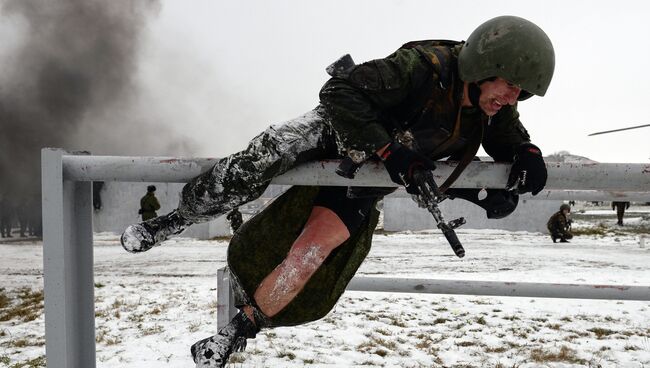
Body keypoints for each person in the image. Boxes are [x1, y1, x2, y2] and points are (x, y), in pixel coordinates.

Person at [121, 16, 555, 367]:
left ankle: (235, 333)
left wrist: (526, 155)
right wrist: (388, 148)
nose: (512, 98)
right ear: (483, 68)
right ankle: (176, 219)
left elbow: (509, 137)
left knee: (312, 251)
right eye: (509, 86)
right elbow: (340, 92)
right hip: (334, 132)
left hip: (369, 176)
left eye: (520, 92)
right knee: (255, 164)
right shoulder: (423, 68)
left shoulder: (489, 108)